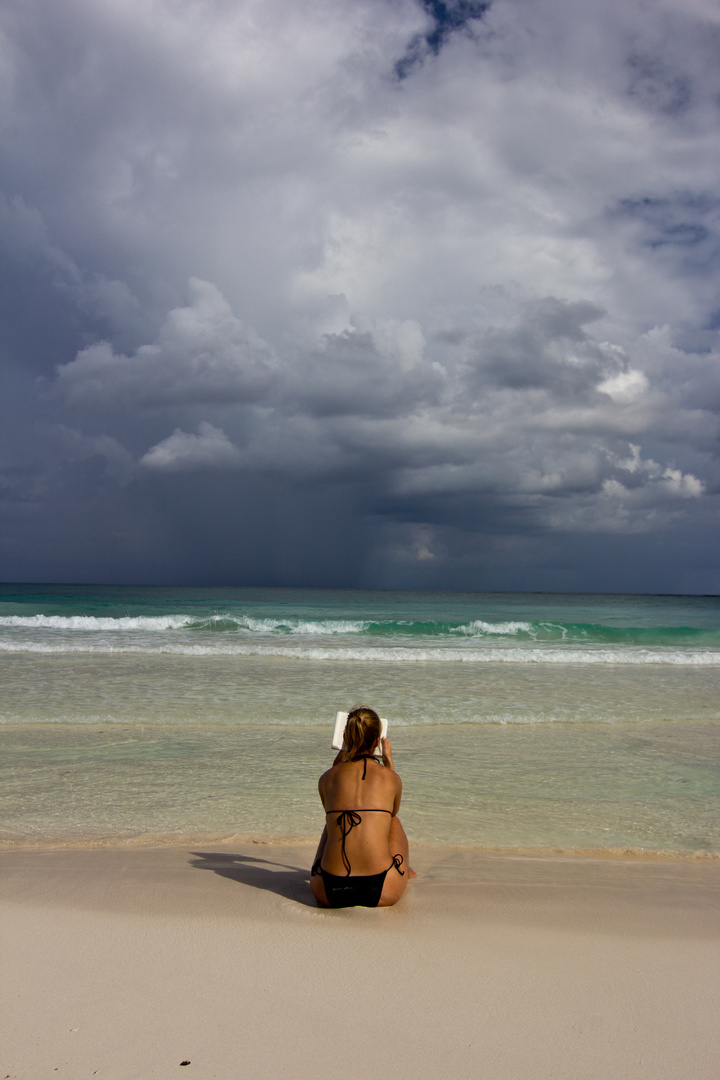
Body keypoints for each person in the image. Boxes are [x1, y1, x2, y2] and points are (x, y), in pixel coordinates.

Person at [310, 705, 412, 908]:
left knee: (334, 819)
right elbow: (392, 811)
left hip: (327, 890)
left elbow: (332, 800)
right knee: (392, 819)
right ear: (377, 741)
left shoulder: (326, 779)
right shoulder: (391, 779)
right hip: (382, 888)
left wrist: (341, 757)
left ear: (346, 738)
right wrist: (388, 761)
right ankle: (405, 870)